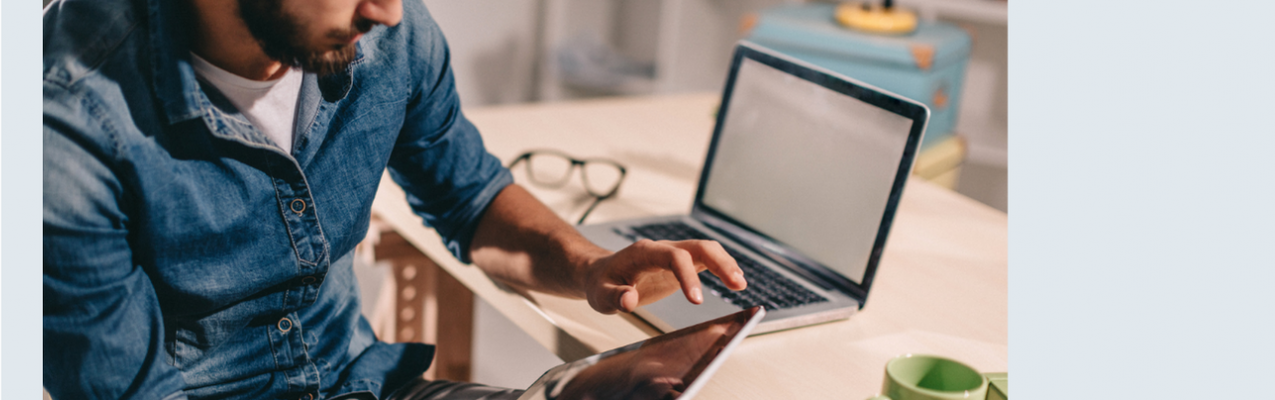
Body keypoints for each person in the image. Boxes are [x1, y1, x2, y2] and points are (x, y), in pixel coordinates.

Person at [41, 0, 747, 399]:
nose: (387, 8)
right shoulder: (63, 128)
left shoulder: (383, 35)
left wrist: (590, 267)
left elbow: (470, 198)